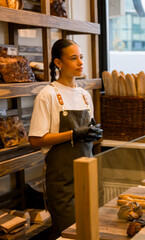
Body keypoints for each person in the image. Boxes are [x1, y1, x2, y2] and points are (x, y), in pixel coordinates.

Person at [29, 39, 102, 239]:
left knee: (90, 233)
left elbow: (87, 132)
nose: (80, 62)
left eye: (81, 57)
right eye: (73, 58)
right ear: (58, 63)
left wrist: (93, 134)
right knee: (68, 234)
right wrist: (73, 134)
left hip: (87, 179)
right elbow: (36, 139)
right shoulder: (48, 95)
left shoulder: (84, 96)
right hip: (62, 183)